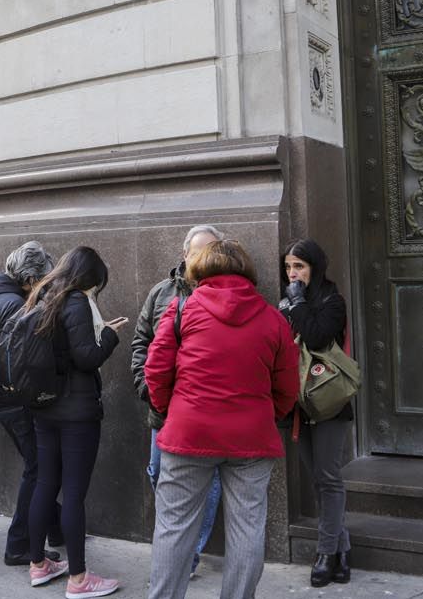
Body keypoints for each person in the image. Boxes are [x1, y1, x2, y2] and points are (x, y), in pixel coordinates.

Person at [144, 240, 299, 599]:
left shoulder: (181, 309)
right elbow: (288, 385)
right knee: (247, 529)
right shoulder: (273, 318)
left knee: (174, 527)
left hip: (189, 432)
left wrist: (174, 410)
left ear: (199, 271)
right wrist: (266, 414)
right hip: (252, 437)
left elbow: (156, 370)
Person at [24, 246, 126, 599]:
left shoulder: (45, 298)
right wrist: (110, 336)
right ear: (90, 277)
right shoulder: (77, 302)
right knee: (74, 495)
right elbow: (86, 357)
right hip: (77, 412)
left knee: (45, 484)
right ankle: (79, 579)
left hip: (45, 408)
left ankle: (38, 564)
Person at [130, 224, 225, 578]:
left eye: (212, 250)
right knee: (158, 473)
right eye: (198, 251)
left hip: (206, 410)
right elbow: (141, 341)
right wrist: (147, 387)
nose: (205, 258)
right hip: (164, 408)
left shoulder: (228, 291)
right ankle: (176, 545)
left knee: (208, 480)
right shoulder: (161, 293)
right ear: (184, 254)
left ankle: (189, 556)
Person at [0, 241, 65, 566]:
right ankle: (19, 545)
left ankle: (56, 527)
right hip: (16, 398)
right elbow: (27, 360)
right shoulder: (16, 305)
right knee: (39, 469)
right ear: (28, 279)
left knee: (39, 465)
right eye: (41, 281)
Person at [280, 239, 352, 587]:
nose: (293, 275)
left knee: (329, 478)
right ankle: (342, 547)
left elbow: (318, 337)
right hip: (298, 403)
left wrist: (296, 304)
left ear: (315, 268)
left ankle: (326, 553)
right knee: (318, 479)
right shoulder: (289, 303)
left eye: (300, 267)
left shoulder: (332, 301)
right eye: (289, 268)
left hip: (329, 403)